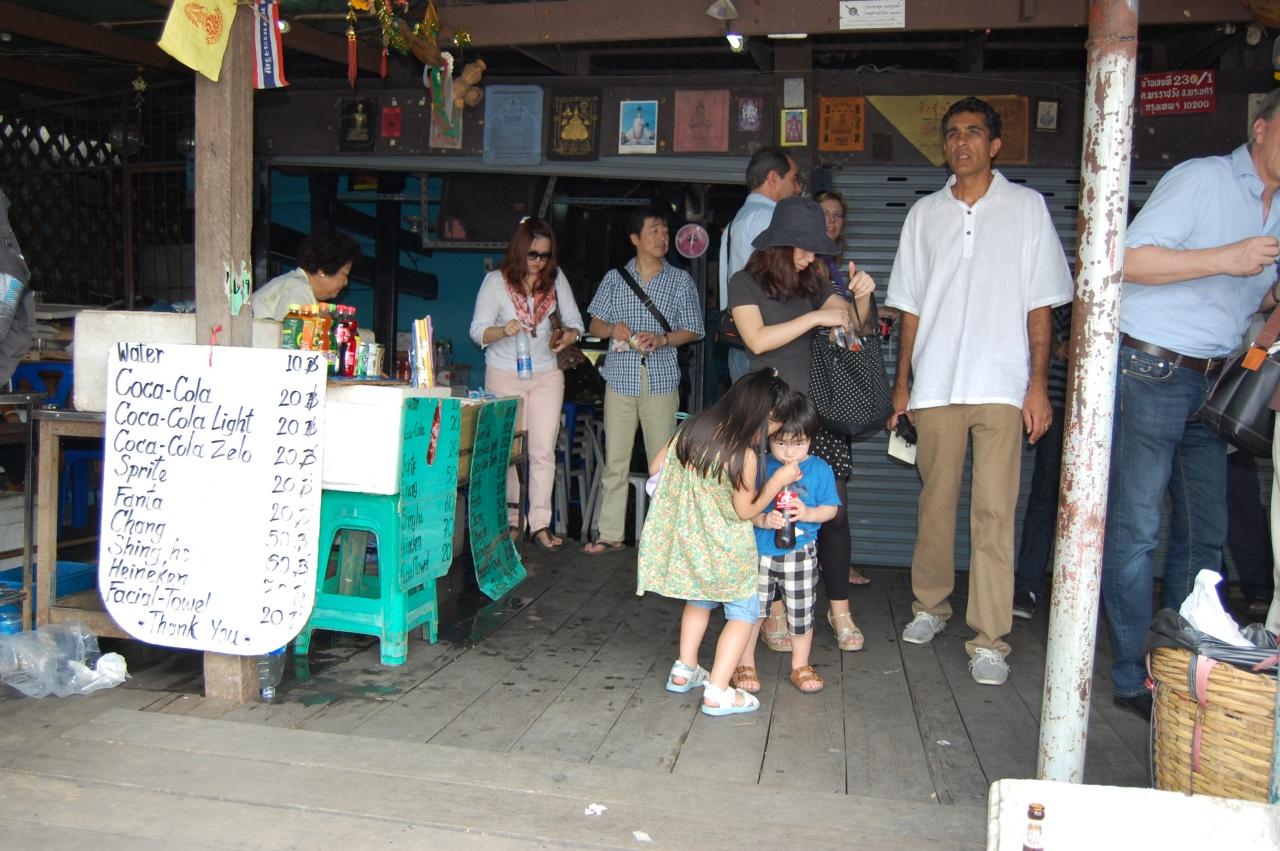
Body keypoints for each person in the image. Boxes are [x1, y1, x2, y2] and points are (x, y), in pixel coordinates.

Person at [1102, 89, 1280, 720]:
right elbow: (1124, 259)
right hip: (1151, 367)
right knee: (1137, 530)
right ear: (1260, 129)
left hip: (1217, 380)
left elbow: (1253, 300)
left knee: (1206, 535)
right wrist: (1228, 258)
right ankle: (1132, 676)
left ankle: (1177, 673)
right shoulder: (1203, 178)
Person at [885, 96, 1072, 687]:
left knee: (994, 512)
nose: (960, 142)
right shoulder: (924, 214)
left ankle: (990, 638)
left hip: (1001, 383)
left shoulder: (1027, 207)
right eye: (952, 133)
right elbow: (909, 308)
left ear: (994, 145)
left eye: (973, 132)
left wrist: (1036, 386)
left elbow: (1041, 305)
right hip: (936, 382)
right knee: (935, 504)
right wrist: (902, 385)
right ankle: (930, 606)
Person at [728, 195, 876, 660]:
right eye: (805, 247)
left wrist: (861, 297)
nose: (812, 256)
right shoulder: (744, 282)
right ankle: (772, 610)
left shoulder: (816, 278)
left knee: (834, 512)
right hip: (767, 414)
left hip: (817, 414)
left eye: (817, 248)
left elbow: (849, 326)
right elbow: (756, 340)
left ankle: (840, 611)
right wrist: (812, 316)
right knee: (766, 508)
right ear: (780, 244)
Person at [637, 369, 801, 715]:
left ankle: (684, 670)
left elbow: (655, 467)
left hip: (693, 540)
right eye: (775, 425)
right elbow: (745, 510)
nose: (774, 432)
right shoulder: (744, 454)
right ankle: (718, 691)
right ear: (765, 415)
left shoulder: (691, 428)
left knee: (699, 600)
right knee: (743, 613)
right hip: (727, 548)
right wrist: (777, 481)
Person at [583, 205, 704, 554]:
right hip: (620, 378)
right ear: (635, 238)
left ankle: (662, 539)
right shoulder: (614, 278)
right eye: (654, 230)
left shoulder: (680, 280)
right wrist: (613, 329)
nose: (662, 237)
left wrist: (663, 338)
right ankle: (610, 533)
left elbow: (694, 329)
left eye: (665, 231)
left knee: (662, 463)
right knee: (616, 460)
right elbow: (594, 325)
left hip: (662, 379)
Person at [469, 218, 585, 553]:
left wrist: (568, 337)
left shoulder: (555, 279)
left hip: (547, 373)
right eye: (533, 254)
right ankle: (511, 521)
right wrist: (503, 330)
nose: (539, 262)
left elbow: (577, 324)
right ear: (519, 250)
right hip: (504, 373)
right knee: (509, 450)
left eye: (545, 255)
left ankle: (540, 524)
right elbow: (477, 331)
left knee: (543, 449)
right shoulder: (495, 282)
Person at [752, 395, 841, 693]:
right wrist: (763, 520)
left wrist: (809, 513)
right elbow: (745, 507)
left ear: (811, 439)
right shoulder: (759, 465)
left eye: (799, 443)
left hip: (800, 553)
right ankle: (744, 663)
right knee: (752, 613)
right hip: (760, 552)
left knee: (801, 611)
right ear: (768, 437)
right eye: (781, 443)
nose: (790, 452)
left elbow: (831, 508)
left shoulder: (820, 469)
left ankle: (800, 665)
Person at [814, 189, 873, 589]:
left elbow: (855, 328)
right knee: (800, 491)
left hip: (834, 392)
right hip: (807, 391)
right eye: (824, 214)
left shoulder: (837, 268)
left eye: (838, 215)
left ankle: (835, 570)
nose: (832, 221)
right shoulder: (805, 266)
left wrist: (866, 302)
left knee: (834, 497)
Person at [719, 147, 803, 383]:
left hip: (739, 342)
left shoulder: (735, 221)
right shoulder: (772, 219)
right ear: (773, 178)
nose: (798, 188)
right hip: (769, 345)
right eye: (794, 178)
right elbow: (783, 281)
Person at [1012, 303, 1072, 620]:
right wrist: (1058, 348)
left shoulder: (1126, 299)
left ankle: (1086, 592)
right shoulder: (1065, 298)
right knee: (1046, 494)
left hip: (1112, 411)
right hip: (1060, 405)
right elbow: (1036, 337)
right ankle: (1028, 585)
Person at [252, 230, 360, 321]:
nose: (346, 282)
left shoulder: (291, 284)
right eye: (345, 274)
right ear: (322, 270)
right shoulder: (298, 291)